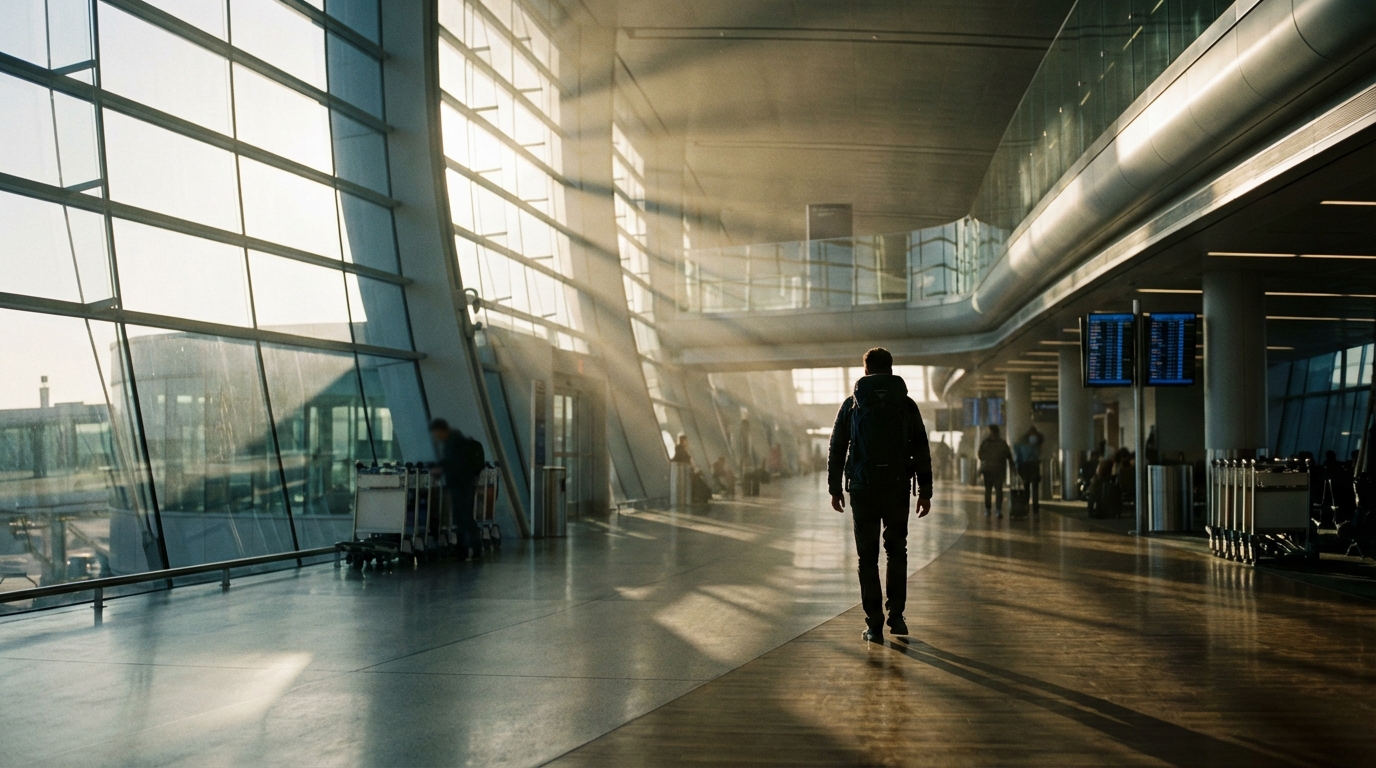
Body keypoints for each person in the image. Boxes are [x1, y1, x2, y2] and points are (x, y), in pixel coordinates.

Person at [828, 347, 933, 644]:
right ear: (890, 370)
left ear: (865, 371)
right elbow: (921, 448)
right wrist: (925, 491)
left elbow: (837, 448)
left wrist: (835, 488)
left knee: (868, 558)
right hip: (898, 487)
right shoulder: (906, 404)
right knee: (897, 552)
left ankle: (874, 625)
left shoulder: (852, 404)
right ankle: (896, 616)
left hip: (863, 488)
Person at [430, 418, 485, 559]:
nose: (436, 436)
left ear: (442, 430)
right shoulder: (453, 441)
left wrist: (441, 468)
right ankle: (468, 548)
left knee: (463, 517)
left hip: (461, 484)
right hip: (460, 483)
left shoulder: (455, 442)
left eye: (436, 433)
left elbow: (455, 463)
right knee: (463, 517)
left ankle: (466, 549)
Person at [977, 424, 1015, 518]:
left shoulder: (985, 443)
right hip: (998, 470)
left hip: (989, 470)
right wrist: (1012, 468)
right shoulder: (1002, 443)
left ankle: (988, 510)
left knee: (989, 490)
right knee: (998, 490)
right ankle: (997, 510)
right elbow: (1009, 456)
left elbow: (980, 455)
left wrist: (987, 459)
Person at [1013, 425, 1044, 515]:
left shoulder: (1024, 443)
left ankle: (1028, 504)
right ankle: (1034, 506)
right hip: (1031, 465)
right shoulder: (1032, 443)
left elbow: (1018, 455)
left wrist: (1018, 466)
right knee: (1032, 487)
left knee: (1028, 487)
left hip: (1026, 466)